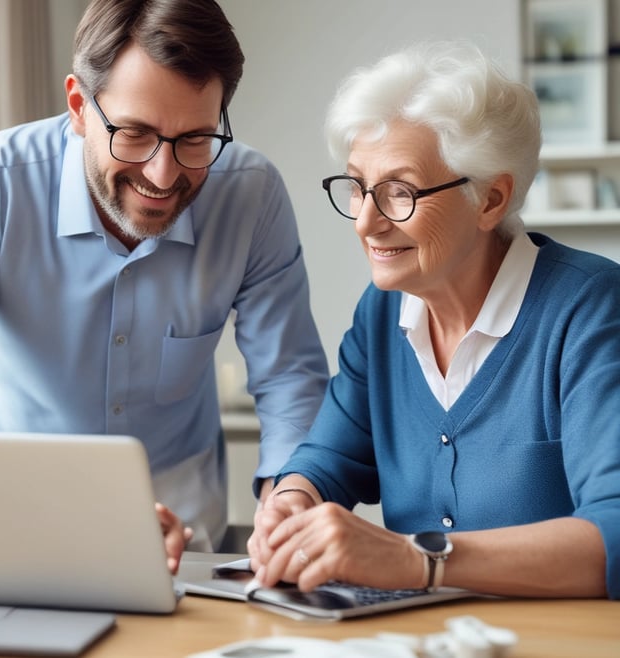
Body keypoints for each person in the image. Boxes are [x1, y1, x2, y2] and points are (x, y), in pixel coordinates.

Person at [0, 0, 329, 570]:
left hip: (188, 554)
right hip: (2, 541)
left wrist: (289, 501)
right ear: (80, 106)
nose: (164, 175)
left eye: (195, 139)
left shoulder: (251, 195)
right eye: (135, 134)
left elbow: (290, 381)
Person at [247, 41, 620, 600]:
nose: (366, 223)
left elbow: (615, 531)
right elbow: (328, 458)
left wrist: (416, 559)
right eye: (358, 187)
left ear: (490, 199)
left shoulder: (588, 308)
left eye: (399, 192)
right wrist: (291, 502)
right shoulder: (381, 315)